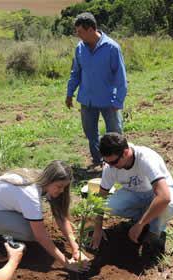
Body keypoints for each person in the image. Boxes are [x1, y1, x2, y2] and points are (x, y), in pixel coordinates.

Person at [0, 160, 89, 273]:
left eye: (64, 187)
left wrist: (76, 248)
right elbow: (40, 236)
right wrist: (66, 263)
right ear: (49, 180)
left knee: (33, 226)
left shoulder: (42, 179)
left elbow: (60, 217)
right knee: (31, 233)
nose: (62, 190)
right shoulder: (31, 193)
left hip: (0, 205)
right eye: (59, 186)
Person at [91, 133, 173, 254]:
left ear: (125, 153)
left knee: (167, 205)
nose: (111, 166)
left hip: (156, 192)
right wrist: (97, 228)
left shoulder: (146, 159)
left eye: (114, 162)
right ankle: (143, 218)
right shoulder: (110, 167)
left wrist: (140, 225)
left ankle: (154, 232)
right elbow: (101, 197)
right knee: (109, 206)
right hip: (134, 193)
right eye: (106, 162)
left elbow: (164, 196)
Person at [66, 12, 128, 170]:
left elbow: (120, 77)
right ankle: (98, 160)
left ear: (91, 29)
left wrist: (118, 101)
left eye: (79, 31)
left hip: (109, 100)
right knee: (90, 133)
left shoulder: (112, 48)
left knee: (114, 133)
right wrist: (69, 93)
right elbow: (76, 72)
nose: (77, 35)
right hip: (87, 100)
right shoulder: (80, 48)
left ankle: (119, 161)